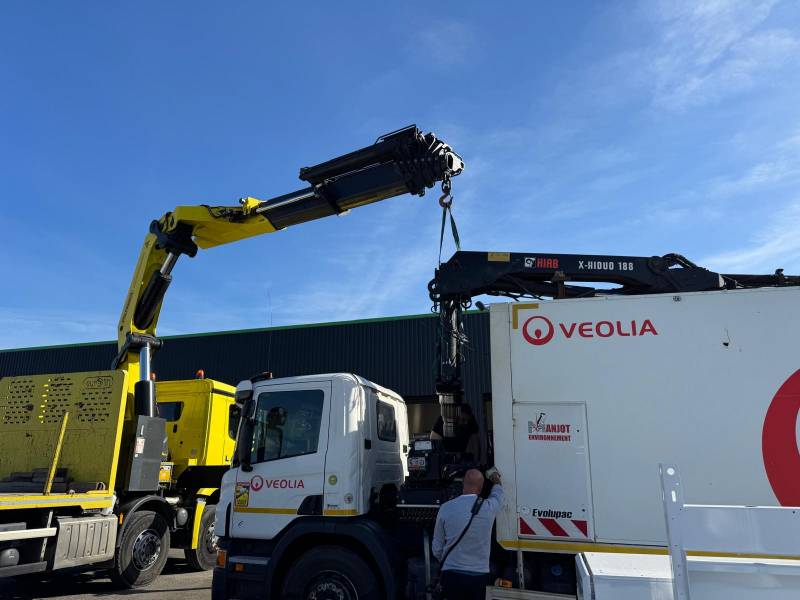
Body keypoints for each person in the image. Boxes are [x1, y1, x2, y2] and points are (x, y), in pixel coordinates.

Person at [432, 468, 503, 600]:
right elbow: (498, 493)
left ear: (463, 483)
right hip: (478, 576)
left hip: (451, 575)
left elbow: (436, 547)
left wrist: (450, 560)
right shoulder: (489, 507)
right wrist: (495, 477)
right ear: (481, 487)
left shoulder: (446, 508)